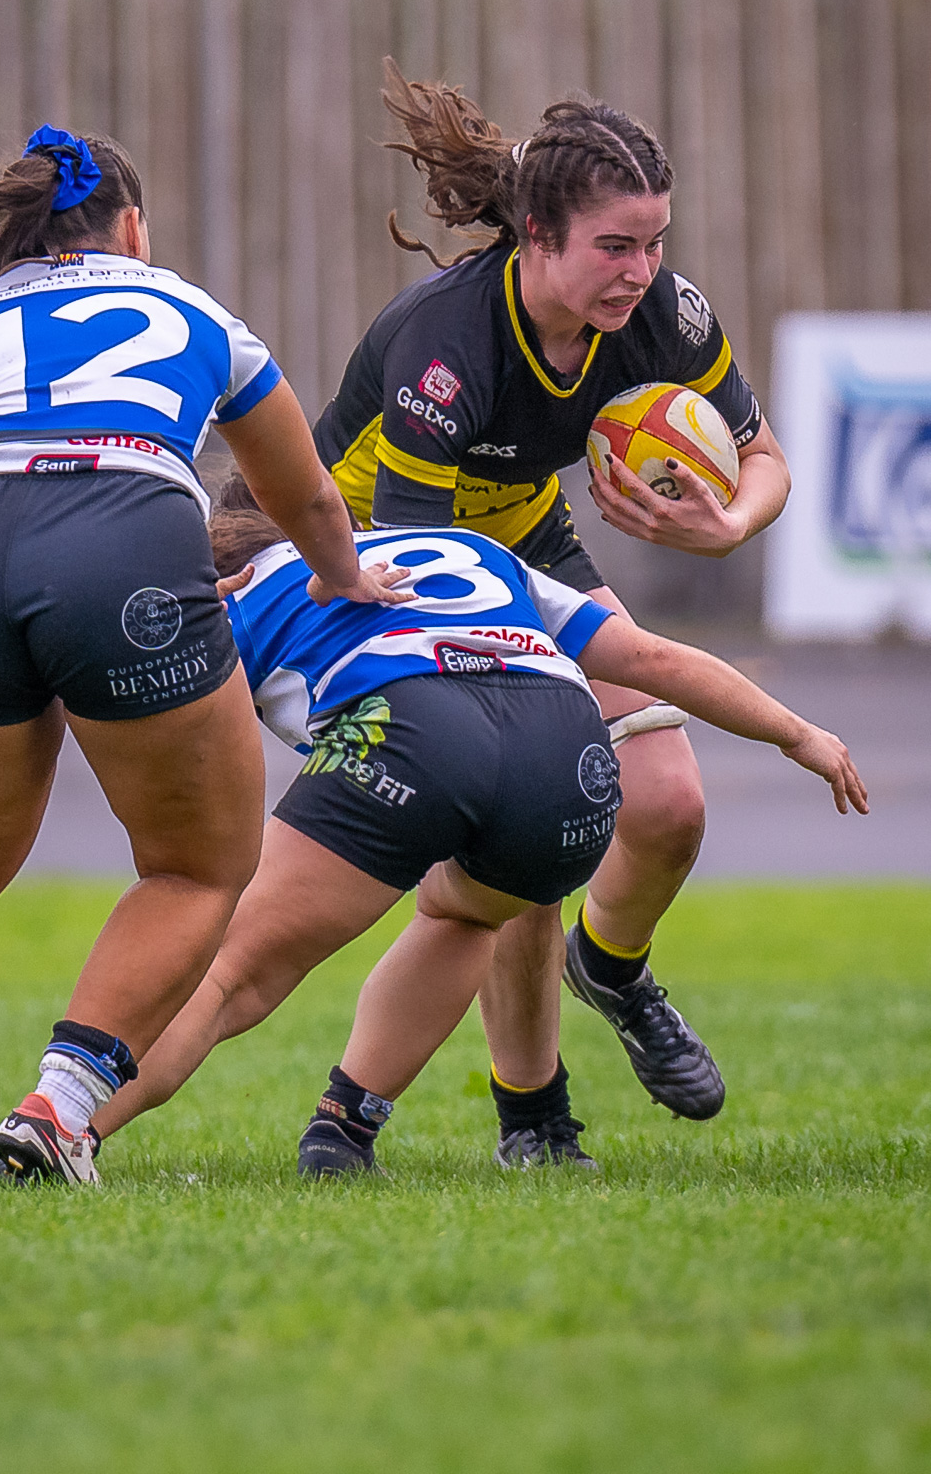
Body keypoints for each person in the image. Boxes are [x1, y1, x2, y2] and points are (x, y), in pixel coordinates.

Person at [0, 124, 405, 1188]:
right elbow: (303, 494)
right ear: (132, 227)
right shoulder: (190, 309)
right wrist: (342, 576)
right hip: (124, 540)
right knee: (199, 865)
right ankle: (56, 1114)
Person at [67, 491, 863, 1182]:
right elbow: (649, 656)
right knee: (464, 913)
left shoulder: (240, 593)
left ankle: (60, 1134)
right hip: (570, 763)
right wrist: (796, 734)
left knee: (226, 974)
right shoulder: (478, 551)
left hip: (410, 729)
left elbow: (154, 724)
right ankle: (343, 1128)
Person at [311, 61, 793, 1126]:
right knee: (532, 820)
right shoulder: (450, 338)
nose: (640, 271)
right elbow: (414, 553)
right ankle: (529, 1118)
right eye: (613, 247)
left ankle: (612, 970)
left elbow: (765, 462)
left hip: (518, 533)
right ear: (534, 237)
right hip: (364, 563)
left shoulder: (661, 314)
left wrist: (728, 523)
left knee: (667, 803)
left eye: (653, 241)